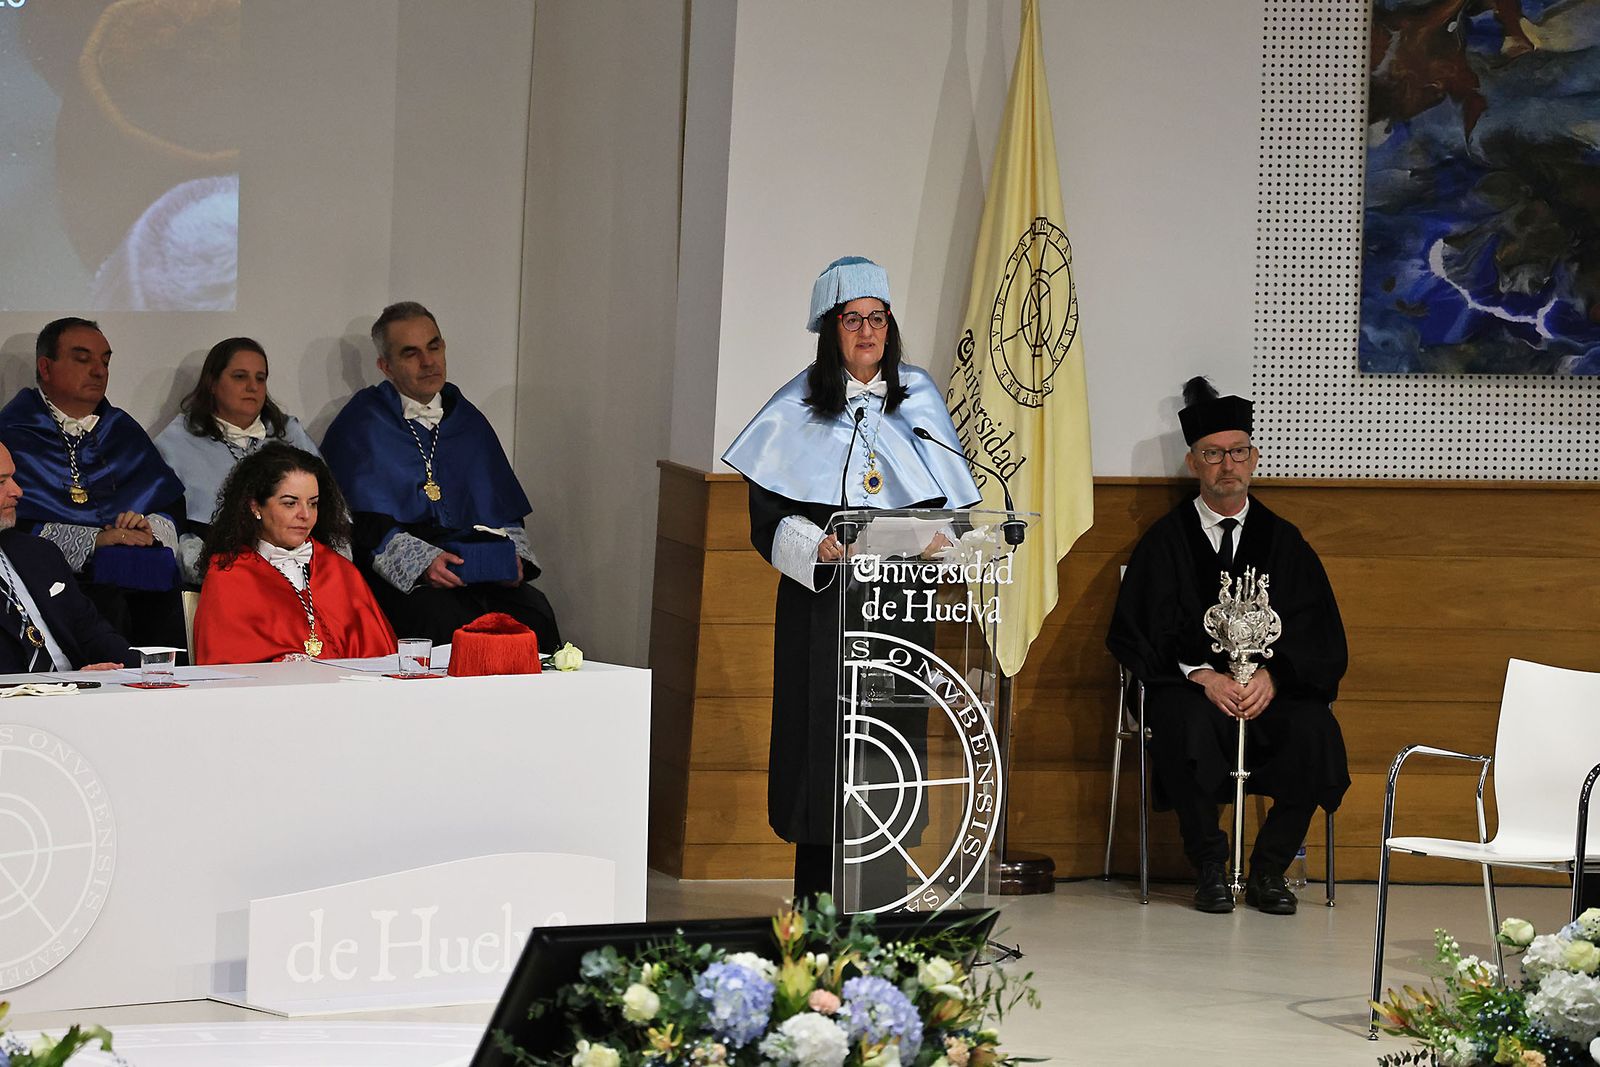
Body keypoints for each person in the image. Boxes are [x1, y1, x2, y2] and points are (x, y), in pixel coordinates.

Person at [721, 256, 981, 903]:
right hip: (823, 608)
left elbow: (950, 507)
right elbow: (768, 516)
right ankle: (816, 902)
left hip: (898, 603)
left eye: (877, 318)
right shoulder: (796, 408)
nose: (867, 331)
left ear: (890, 327)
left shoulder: (918, 399)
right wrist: (821, 545)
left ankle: (883, 901)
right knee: (822, 747)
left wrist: (944, 537)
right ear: (830, 329)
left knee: (887, 741)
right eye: (852, 319)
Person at [1106, 376, 1349, 916]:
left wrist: (1274, 676)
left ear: (1254, 458)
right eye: (1213, 454)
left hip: (1269, 693)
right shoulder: (1164, 543)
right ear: (1194, 463)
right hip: (1193, 690)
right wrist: (1202, 676)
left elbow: (1319, 634)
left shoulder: (1285, 542)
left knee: (1313, 729)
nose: (1227, 465)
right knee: (1182, 721)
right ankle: (1210, 866)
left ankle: (1268, 871)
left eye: (1237, 452)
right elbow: (1135, 632)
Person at [321, 302, 559, 649]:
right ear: (385, 366)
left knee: (535, 616)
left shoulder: (468, 420)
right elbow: (358, 522)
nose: (429, 361)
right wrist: (422, 562)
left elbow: (504, 509)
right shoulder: (361, 424)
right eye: (411, 353)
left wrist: (514, 562)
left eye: (434, 347)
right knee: (441, 621)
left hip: (478, 571)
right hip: (408, 579)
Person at [0, 317, 187, 649]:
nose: (99, 371)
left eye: (105, 360)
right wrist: (94, 541)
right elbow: (11, 525)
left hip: (139, 588)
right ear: (45, 367)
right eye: (83, 359)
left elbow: (169, 501)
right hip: (58, 590)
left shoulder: (122, 430)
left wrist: (146, 530)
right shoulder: (12, 432)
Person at [193, 443, 394, 664]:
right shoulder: (228, 574)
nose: (305, 515)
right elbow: (227, 662)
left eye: (313, 503)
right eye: (290, 504)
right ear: (255, 507)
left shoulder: (339, 569)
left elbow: (380, 656)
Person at [155, 337, 322, 584]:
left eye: (260, 378)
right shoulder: (177, 440)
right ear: (212, 383)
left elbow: (328, 502)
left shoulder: (289, 433)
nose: (253, 387)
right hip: (224, 565)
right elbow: (174, 529)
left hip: (295, 557)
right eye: (240, 377)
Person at [0, 442, 133, 673]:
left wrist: (139, 671)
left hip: (78, 697)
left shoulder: (39, 553)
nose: (17, 491)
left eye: (13, 478)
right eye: (1, 482)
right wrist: (59, 687)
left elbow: (93, 634)